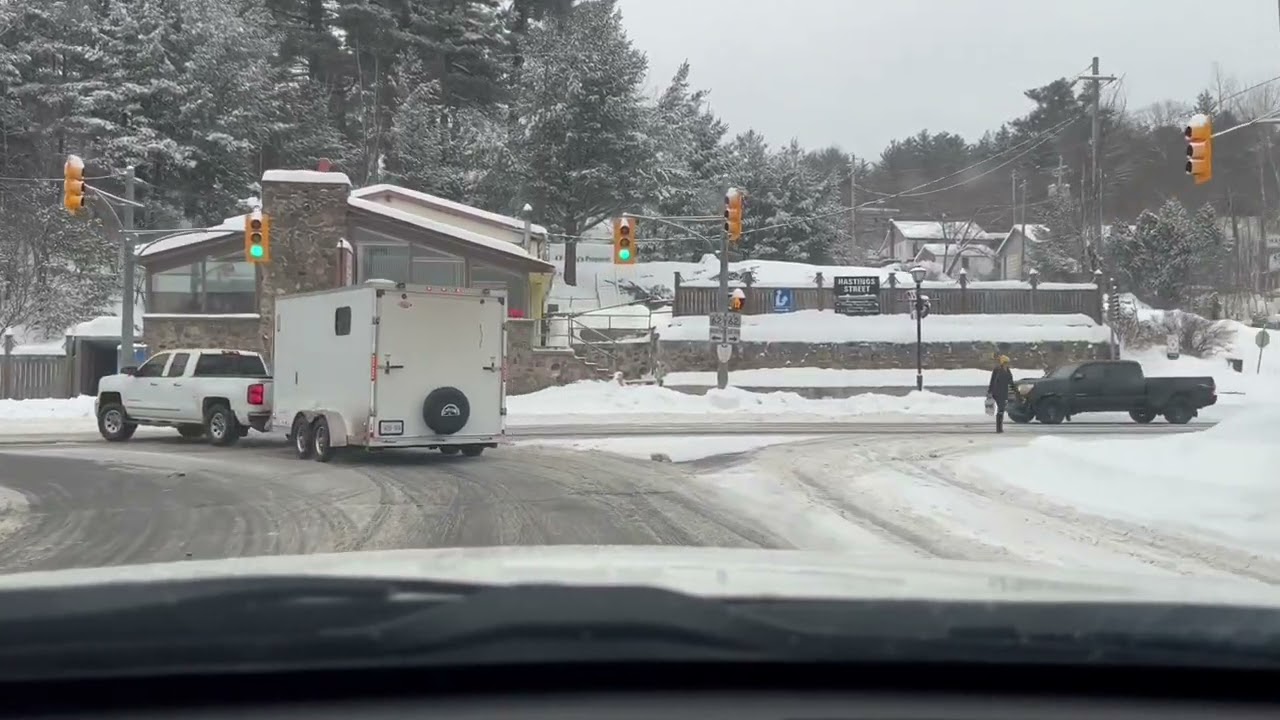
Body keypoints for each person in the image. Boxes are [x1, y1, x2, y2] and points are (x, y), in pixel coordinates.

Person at [987, 355, 1013, 433]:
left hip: (1004, 392)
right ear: (1002, 363)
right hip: (997, 392)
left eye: (1008, 363)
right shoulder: (997, 370)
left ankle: (999, 427)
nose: (1007, 364)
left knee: (1001, 409)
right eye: (1006, 363)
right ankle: (999, 428)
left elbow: (1010, 381)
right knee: (1001, 408)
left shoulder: (1008, 370)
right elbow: (992, 381)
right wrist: (990, 392)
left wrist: (1014, 390)